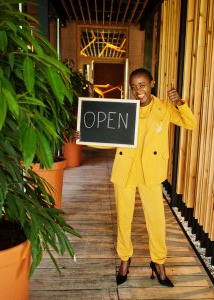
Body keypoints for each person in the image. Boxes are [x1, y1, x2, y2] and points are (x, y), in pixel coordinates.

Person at [78, 68, 197, 287]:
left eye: (141, 85)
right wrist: (86, 137)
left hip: (150, 172)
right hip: (126, 170)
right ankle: (125, 259)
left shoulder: (164, 108)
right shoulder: (127, 110)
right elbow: (112, 137)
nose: (137, 90)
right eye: (133, 86)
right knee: (124, 219)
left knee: (156, 221)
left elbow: (190, 124)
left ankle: (158, 262)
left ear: (152, 83)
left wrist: (180, 102)